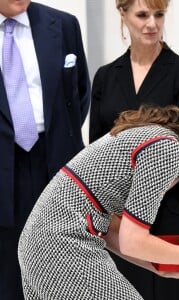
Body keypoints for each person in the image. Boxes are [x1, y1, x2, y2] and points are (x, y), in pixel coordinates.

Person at [18, 76, 179, 300]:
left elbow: (112, 227)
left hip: (40, 241)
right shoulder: (166, 150)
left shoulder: (162, 141)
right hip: (61, 243)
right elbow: (132, 241)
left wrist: (158, 268)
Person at [89, 0, 179, 298]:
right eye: (142, 15)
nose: (152, 23)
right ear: (123, 14)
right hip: (117, 217)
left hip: (170, 210)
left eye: (159, 15)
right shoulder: (105, 76)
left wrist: (145, 191)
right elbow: (97, 150)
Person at [0, 1, 90, 299]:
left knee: (60, 266)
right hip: (4, 165)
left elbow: (79, 93)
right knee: (9, 274)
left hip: (55, 160)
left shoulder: (63, 24)